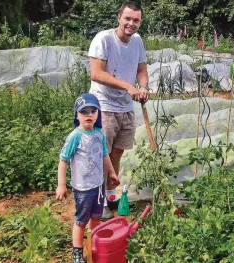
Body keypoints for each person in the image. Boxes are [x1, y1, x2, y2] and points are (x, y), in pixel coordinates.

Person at [88, 1, 149, 218]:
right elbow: (96, 74)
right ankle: (98, 201)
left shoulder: (137, 41)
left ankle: (110, 196)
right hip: (103, 105)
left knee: (117, 153)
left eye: (136, 20)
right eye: (128, 19)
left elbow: (141, 68)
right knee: (101, 154)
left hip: (125, 106)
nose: (131, 24)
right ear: (119, 18)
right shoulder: (103, 39)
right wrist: (127, 86)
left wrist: (142, 86)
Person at [56, 93, 120, 263]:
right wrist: (61, 185)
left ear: (98, 114)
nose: (89, 115)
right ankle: (77, 253)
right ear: (77, 115)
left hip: (98, 186)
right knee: (81, 221)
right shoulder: (75, 137)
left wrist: (112, 173)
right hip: (83, 189)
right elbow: (63, 161)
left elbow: (105, 155)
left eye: (93, 111)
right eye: (84, 112)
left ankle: (93, 245)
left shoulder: (99, 134)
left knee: (96, 218)